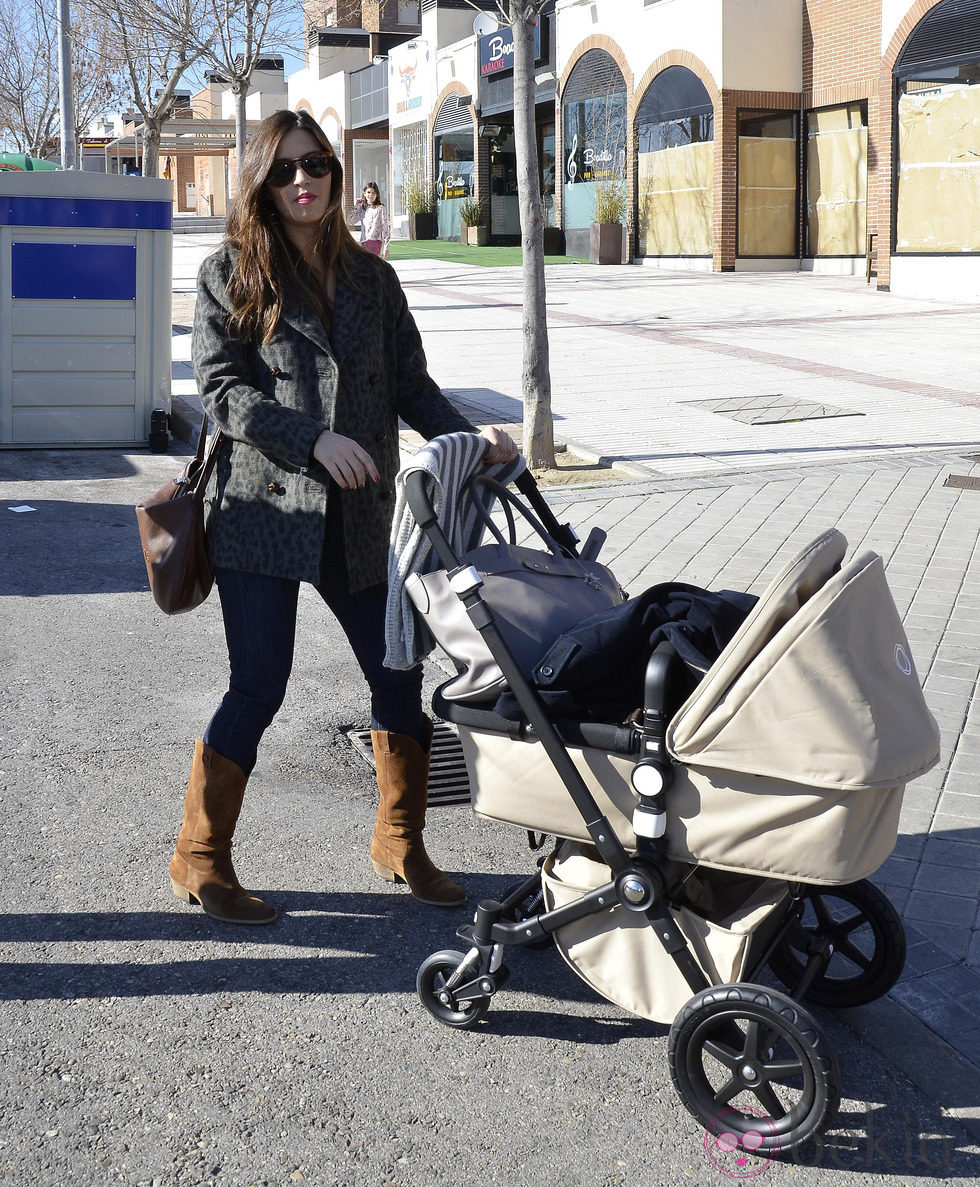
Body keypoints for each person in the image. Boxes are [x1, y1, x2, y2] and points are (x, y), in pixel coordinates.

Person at [170, 109, 518, 926]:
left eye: (317, 164)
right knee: (258, 684)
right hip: (262, 512)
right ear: (263, 182)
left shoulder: (373, 279)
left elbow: (413, 387)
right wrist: (313, 439)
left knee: (398, 672)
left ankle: (401, 839)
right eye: (287, 169)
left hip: (362, 517)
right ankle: (200, 855)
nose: (305, 181)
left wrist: (473, 440)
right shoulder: (229, 274)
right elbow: (221, 392)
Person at [347, 181, 390, 257]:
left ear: (377, 195)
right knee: (365, 267)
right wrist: (355, 207)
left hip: (375, 242)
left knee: (372, 266)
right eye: (369, 192)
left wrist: (386, 247)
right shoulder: (362, 208)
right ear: (364, 193)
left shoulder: (380, 208)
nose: (371, 195)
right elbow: (350, 221)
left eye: (373, 193)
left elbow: (385, 228)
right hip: (363, 242)